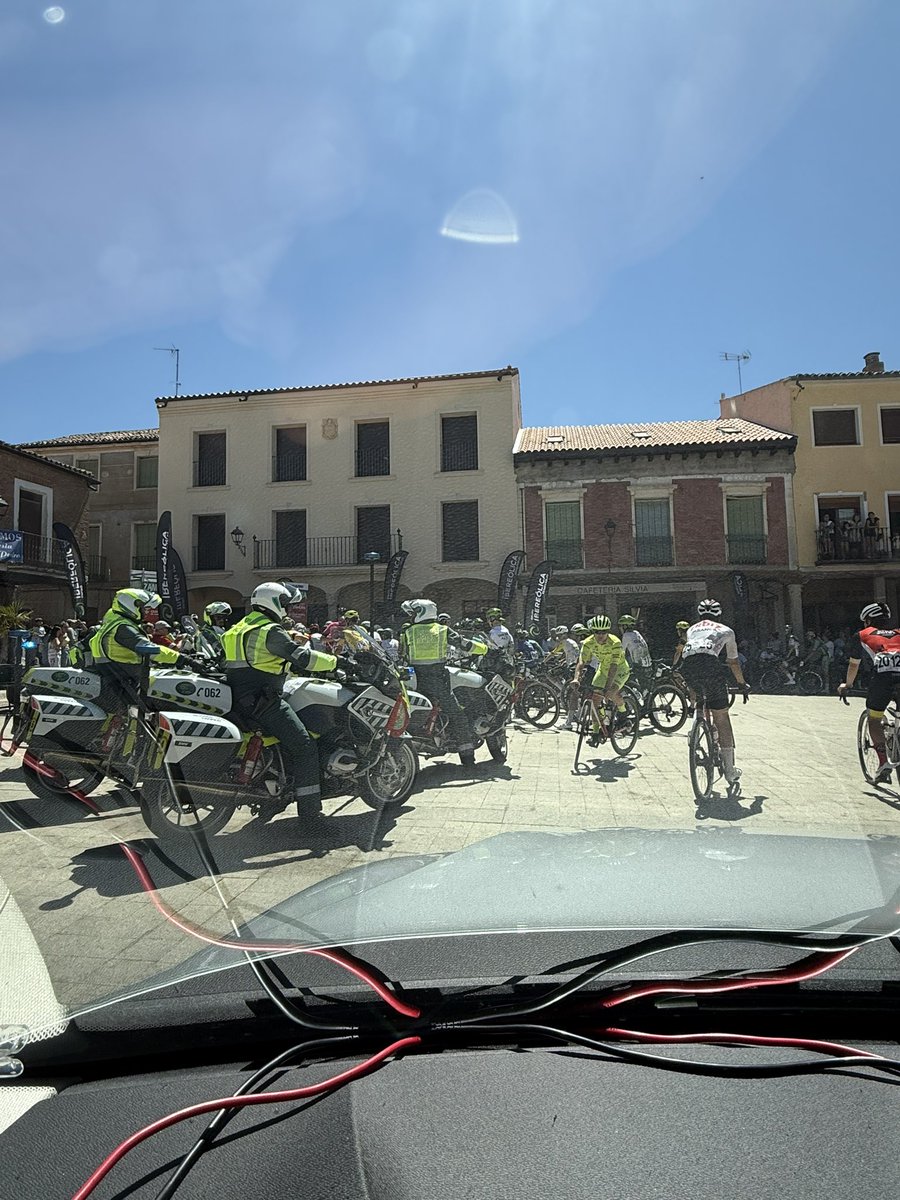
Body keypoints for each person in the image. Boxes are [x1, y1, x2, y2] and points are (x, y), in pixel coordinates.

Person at [223, 583, 338, 818]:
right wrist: (335, 662)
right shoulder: (269, 630)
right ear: (274, 603)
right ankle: (310, 816)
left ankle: (274, 796)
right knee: (305, 746)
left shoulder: (237, 628)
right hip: (263, 700)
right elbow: (301, 657)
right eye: (285, 604)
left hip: (237, 698)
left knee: (283, 740)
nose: (286, 609)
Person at [679, 599, 749, 784]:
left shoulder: (691, 629)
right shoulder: (726, 630)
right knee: (721, 717)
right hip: (709, 665)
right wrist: (742, 684)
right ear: (719, 615)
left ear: (700, 616)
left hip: (687, 666)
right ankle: (730, 769)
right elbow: (732, 662)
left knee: (700, 693)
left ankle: (697, 726)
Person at [400, 598, 482, 753]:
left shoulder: (408, 631)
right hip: (436, 678)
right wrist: (485, 649)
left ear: (420, 613)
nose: (410, 617)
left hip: (415, 680)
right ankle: (467, 754)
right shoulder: (442, 630)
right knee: (457, 714)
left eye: (412, 613)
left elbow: (403, 654)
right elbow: (464, 644)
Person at [89, 589, 188, 713]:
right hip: (121, 679)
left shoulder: (117, 622)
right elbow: (150, 649)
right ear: (131, 605)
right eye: (143, 608)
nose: (146, 612)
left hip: (119, 675)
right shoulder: (123, 627)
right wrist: (182, 659)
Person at [838, 602, 900, 783]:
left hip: (883, 681)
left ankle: (883, 761)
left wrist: (847, 685)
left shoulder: (862, 635)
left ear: (868, 620)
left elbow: (854, 664)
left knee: (874, 718)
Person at [571, 615, 631, 741]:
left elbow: (614, 666)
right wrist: (576, 678)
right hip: (603, 670)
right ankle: (596, 731)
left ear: (608, 632)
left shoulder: (615, 642)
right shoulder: (588, 643)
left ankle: (623, 711)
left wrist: (608, 688)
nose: (600, 635)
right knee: (595, 700)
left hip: (620, 669)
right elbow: (581, 662)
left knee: (612, 692)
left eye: (604, 632)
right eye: (597, 632)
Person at [618, 614, 652, 690]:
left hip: (639, 665)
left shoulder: (626, 635)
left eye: (621, 626)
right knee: (644, 687)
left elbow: (621, 652)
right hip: (648, 664)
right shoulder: (636, 633)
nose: (620, 628)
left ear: (625, 626)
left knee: (625, 680)